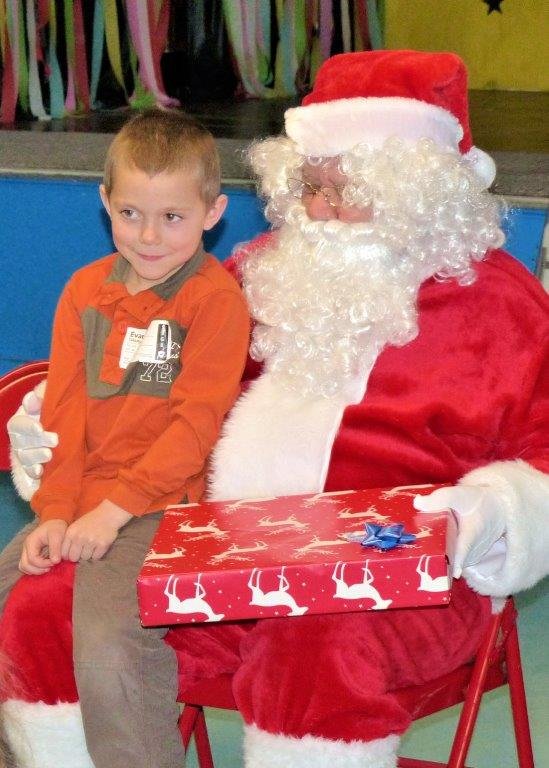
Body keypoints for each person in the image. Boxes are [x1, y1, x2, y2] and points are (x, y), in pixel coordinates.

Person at [4, 50, 549, 768]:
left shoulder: (501, 305)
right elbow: (143, 389)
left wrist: (494, 510)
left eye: (345, 191)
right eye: (309, 187)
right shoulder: (254, 274)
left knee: (314, 647)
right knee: (46, 606)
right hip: (213, 553)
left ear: (417, 192)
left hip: (405, 585)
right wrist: (49, 425)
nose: (319, 211)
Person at [0, 108, 250, 768]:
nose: (148, 235)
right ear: (105, 201)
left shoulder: (214, 301)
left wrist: (112, 512)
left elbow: (193, 430)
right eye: (131, 213)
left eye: (172, 217)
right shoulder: (85, 291)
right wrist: (55, 513)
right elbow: (63, 413)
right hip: (84, 501)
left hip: (164, 508)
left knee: (107, 643)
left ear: (212, 213)